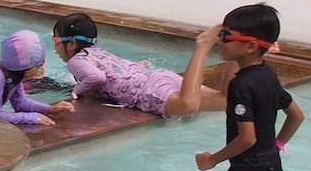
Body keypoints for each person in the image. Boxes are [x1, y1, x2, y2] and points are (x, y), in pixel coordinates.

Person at [196, 3, 302, 171]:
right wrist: (276, 146)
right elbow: (297, 116)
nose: (220, 42)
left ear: (251, 46)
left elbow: (247, 139)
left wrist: (212, 160)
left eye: (226, 36)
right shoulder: (268, 74)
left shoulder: (240, 85)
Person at [52, 11, 217, 118]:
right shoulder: (98, 52)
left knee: (186, 106)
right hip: (156, 76)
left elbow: (97, 77)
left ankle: (203, 45)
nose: (55, 46)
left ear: (72, 44)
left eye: (56, 40)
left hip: (147, 92)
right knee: (223, 100)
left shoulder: (76, 60)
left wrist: (77, 91)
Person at [0, 29, 75, 130]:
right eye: (39, 64)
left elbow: (20, 103)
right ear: (24, 67)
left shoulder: (13, 74)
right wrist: (32, 118)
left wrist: (50, 109)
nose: (42, 68)